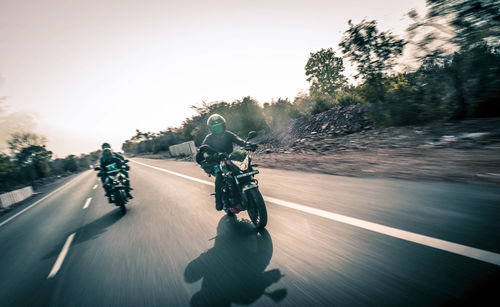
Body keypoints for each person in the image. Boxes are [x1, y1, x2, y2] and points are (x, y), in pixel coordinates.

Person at [196, 114, 255, 211]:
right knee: (219, 175)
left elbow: (238, 140)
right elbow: (203, 148)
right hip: (217, 160)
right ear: (211, 129)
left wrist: (247, 144)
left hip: (230, 158)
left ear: (224, 126)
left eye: (219, 126)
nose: (218, 129)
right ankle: (218, 200)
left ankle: (247, 185)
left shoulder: (228, 134)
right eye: (215, 128)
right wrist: (207, 153)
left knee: (245, 165)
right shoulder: (209, 138)